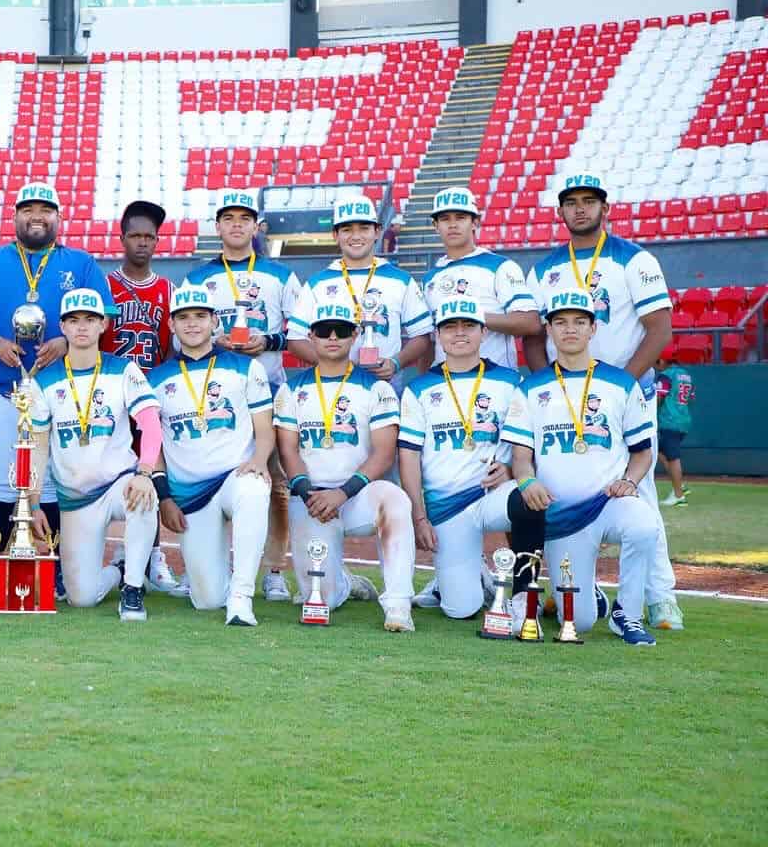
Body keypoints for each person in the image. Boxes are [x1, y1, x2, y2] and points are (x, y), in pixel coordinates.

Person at [522, 168, 681, 631]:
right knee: (561, 485)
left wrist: (622, 387)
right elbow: (535, 333)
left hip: (624, 394)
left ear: (605, 208)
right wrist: (543, 384)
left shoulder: (634, 260)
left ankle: (660, 596)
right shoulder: (546, 267)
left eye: (589, 201)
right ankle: (572, 587)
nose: (580, 208)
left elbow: (660, 330)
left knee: (639, 491)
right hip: (563, 397)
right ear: (561, 211)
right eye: (572, 202)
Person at [0, 182, 113, 607]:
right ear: (13, 216)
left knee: (54, 478)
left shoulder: (81, 264)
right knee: (1, 481)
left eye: (46, 209)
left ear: (58, 218)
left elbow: (104, 319)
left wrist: (67, 344)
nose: (37, 216)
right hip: (5, 387)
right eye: (28, 208)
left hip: (60, 391)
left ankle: (59, 567)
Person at [501, 288, 659, 646]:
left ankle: (628, 615)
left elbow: (642, 452)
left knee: (645, 526)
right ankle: (593, 597)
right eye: (560, 322)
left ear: (592, 329)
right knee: (581, 620)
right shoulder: (530, 388)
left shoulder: (621, 383)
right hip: (562, 513)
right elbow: (521, 458)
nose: (569, 330)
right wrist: (526, 483)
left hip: (608, 501)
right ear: (550, 330)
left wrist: (630, 482)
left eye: (579, 322)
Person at [180, 190, 300, 604]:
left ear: (255, 226)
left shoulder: (280, 274)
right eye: (228, 218)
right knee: (215, 475)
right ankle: (213, 564)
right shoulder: (198, 276)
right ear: (217, 226)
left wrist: (269, 340)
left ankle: (273, 570)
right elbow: (187, 328)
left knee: (273, 483)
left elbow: (301, 329)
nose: (236, 224)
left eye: (244, 218)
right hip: (218, 391)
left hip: (268, 386)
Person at [398, 298, 547, 628]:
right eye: (450, 326)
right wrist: (419, 516)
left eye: (468, 326)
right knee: (460, 609)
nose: (460, 333)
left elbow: (528, 444)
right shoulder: (418, 389)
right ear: (438, 335)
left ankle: (525, 593)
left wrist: (512, 471)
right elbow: (408, 455)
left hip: (493, 494)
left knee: (528, 497)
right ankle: (475, 574)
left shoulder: (511, 382)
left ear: (483, 332)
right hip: (447, 507)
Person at [275, 301, 415, 632]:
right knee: (321, 595)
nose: (332, 337)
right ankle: (345, 583)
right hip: (311, 499)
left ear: (355, 336)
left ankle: (397, 605)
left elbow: (384, 452)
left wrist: (343, 492)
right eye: (324, 331)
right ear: (311, 336)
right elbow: (287, 450)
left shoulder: (377, 387)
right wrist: (309, 494)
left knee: (395, 499)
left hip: (358, 494)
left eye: (341, 331)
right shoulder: (290, 389)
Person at [27, 288, 161, 620]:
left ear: (103, 325)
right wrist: (31, 502)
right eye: (74, 320)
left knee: (145, 497)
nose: (82, 327)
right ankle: (120, 568)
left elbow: (150, 422)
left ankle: (132, 590)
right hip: (76, 497)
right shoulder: (44, 381)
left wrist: (145, 473)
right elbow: (38, 446)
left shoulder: (124, 370)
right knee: (81, 598)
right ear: (63, 327)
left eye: (90, 319)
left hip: (119, 481)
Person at [148, 286, 274, 626]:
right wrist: (164, 497)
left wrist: (260, 459)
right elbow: (153, 447)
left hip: (234, 476)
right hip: (190, 492)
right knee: (206, 600)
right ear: (172, 325)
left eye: (200, 316)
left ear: (215, 321)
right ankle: (222, 586)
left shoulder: (246, 368)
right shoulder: (155, 379)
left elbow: (265, 428)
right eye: (184, 318)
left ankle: (242, 595)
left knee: (254, 488)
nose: (192, 324)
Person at [99, 199, 186, 598]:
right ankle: (103, 553)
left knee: (147, 473)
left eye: (149, 237)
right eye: (135, 235)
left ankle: (151, 557)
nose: (142, 243)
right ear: (121, 239)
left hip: (150, 395)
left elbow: (173, 349)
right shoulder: (105, 286)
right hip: (112, 395)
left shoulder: (169, 290)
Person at [286, 195, 432, 385]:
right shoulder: (317, 283)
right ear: (335, 235)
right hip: (333, 384)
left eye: (364, 228)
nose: (356, 236)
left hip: (386, 384)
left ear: (377, 231)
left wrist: (396, 362)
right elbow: (295, 339)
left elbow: (421, 335)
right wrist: (333, 365)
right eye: (347, 229)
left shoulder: (401, 280)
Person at [423, 187, 540, 368]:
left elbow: (530, 322)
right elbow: (429, 340)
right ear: (435, 225)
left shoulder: (501, 267)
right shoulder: (430, 278)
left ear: (475, 222)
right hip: (445, 385)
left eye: (460, 217)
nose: (453, 225)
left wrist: (469, 315)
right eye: (445, 219)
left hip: (495, 382)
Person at [655, 351, 694, 508]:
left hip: (669, 421)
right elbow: (691, 398)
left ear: (663, 360)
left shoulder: (665, 375)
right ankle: (679, 484)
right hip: (683, 420)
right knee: (659, 451)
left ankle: (679, 496)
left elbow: (659, 397)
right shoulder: (686, 376)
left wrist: (650, 412)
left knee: (672, 457)